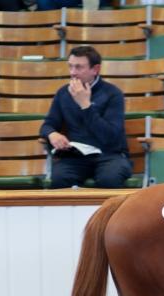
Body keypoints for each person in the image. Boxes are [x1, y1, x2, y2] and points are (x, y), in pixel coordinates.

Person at [40, 46, 132, 189]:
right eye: (70, 66)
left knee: (109, 178)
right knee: (59, 178)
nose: (72, 72)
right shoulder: (63, 93)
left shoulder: (113, 94)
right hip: (76, 156)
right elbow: (47, 125)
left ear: (95, 69)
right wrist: (52, 134)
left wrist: (85, 105)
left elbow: (110, 136)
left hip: (109, 155)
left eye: (78, 67)